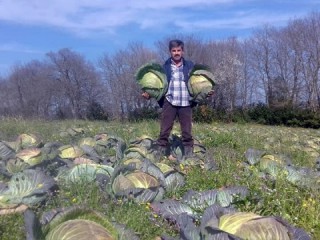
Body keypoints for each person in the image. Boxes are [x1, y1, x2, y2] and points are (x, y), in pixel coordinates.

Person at [142, 39, 211, 158]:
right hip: (170, 101)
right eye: (174, 51)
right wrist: (149, 94)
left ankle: (188, 157)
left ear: (182, 51)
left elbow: (198, 83)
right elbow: (158, 85)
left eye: (179, 50)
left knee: (187, 132)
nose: (176, 53)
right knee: (164, 130)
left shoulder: (190, 66)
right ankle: (160, 154)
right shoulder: (164, 68)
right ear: (170, 52)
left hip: (186, 102)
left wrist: (206, 91)